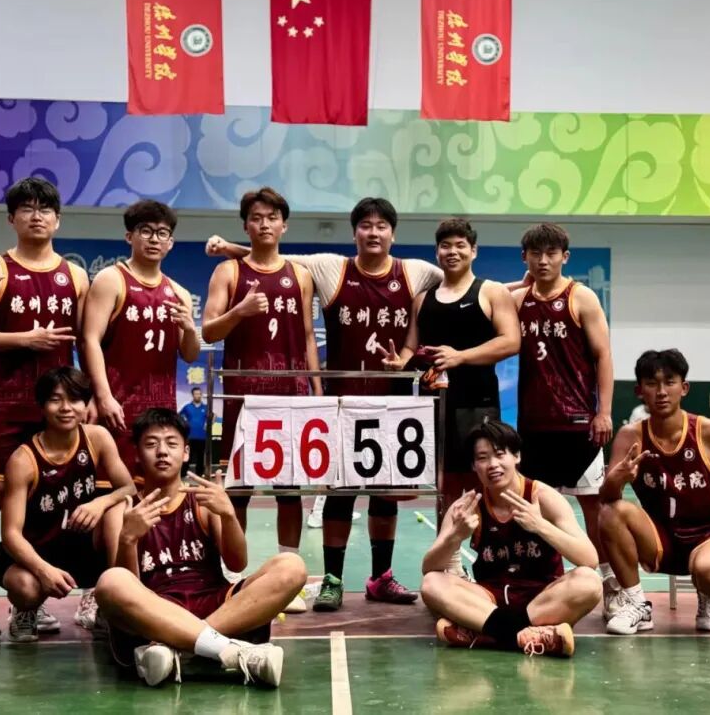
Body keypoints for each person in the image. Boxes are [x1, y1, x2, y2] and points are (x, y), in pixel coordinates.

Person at [206, 196, 437, 610]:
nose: (373, 232)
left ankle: (380, 577)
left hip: (392, 402)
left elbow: (460, 282)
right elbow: (274, 257)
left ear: (393, 232)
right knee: (335, 493)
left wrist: (408, 354)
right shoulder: (331, 268)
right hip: (339, 403)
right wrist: (230, 252)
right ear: (354, 233)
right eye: (365, 225)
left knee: (384, 495)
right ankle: (328, 579)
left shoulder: (417, 271)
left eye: (381, 226)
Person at [0, 177, 90, 640]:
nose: (37, 216)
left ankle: (26, 604)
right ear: (12, 218)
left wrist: (90, 397)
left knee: (44, 505)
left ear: (58, 219)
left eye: (45, 208)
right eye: (27, 208)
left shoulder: (76, 276)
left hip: (55, 406)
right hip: (4, 400)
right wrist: (24, 339)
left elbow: (86, 341)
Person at [95, 408, 306, 688]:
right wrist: (128, 539)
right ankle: (228, 650)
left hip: (215, 603)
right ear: (137, 454)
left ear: (185, 453)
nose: (162, 451)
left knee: (292, 566)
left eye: (171, 444)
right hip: (156, 609)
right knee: (111, 582)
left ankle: (181, 647)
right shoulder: (122, 511)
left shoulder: (202, 501)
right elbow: (127, 583)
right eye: (151, 444)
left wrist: (228, 515)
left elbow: (237, 563)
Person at [80, 199, 201, 621]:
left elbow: (190, 353)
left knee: (153, 503)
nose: (154, 239)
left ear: (171, 243)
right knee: (109, 501)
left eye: (162, 233)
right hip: (117, 411)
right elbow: (90, 339)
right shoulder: (112, 280)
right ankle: (97, 590)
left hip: (159, 416)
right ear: (129, 236)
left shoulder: (178, 293)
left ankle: (146, 588)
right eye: (146, 231)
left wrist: (189, 326)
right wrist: (103, 395)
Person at [201, 187, 320, 612]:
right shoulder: (228, 272)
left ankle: (290, 577)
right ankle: (232, 576)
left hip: (291, 396)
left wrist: (316, 390)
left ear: (284, 225)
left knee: (290, 491)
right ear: (246, 225)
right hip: (243, 397)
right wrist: (241, 311)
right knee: (238, 491)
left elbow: (308, 336)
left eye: (272, 217)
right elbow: (208, 330)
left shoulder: (300, 275)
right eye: (256, 217)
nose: (265, 224)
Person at [599, 349, 710, 634]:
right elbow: (607, 498)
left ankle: (709, 599)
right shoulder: (630, 437)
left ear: (684, 388)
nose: (661, 392)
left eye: (669, 382)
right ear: (639, 391)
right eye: (651, 383)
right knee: (611, 513)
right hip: (660, 540)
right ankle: (637, 605)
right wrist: (618, 479)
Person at [419, 421, 601, 658]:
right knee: (432, 584)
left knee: (589, 582)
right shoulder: (468, 506)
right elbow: (429, 568)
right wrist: (454, 536)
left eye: (499, 454)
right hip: (489, 601)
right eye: (482, 458)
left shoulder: (543, 497)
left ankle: (486, 634)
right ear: (474, 466)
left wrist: (540, 526)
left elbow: (589, 559)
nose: (492, 464)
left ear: (516, 456)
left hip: (543, 599)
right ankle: (528, 636)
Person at [381, 218, 520, 524]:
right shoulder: (422, 299)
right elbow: (411, 347)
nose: (452, 252)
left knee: (483, 480)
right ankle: (448, 550)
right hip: (434, 406)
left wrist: (461, 357)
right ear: (437, 252)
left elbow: (511, 341)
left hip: (478, 405)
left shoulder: (492, 292)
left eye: (460, 245)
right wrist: (400, 363)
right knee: (445, 487)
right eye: (445, 246)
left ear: (474, 251)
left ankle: (486, 547)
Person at [511, 223, 615, 602]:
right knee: (534, 508)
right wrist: (519, 284)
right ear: (525, 257)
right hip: (534, 428)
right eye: (535, 254)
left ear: (564, 257)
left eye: (551, 253)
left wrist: (604, 412)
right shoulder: (518, 301)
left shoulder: (581, 297)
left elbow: (603, 355)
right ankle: (542, 580)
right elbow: (484, 297)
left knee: (594, 508)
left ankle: (609, 581)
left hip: (578, 425)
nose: (543, 260)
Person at [0, 367, 135, 641]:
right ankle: (25, 610)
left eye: (74, 399)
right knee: (26, 588)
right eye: (55, 400)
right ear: (41, 406)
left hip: (81, 545)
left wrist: (100, 503)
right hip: (37, 553)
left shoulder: (97, 438)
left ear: (85, 405)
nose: (66, 408)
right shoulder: (23, 460)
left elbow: (128, 487)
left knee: (119, 509)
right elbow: (10, 534)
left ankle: (113, 606)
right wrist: (43, 570)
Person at [179, 387, 209, 476]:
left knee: (200, 456)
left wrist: (208, 423)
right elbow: (180, 416)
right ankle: (183, 474)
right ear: (193, 395)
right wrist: (185, 423)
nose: (198, 395)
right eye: (196, 394)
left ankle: (199, 474)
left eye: (199, 394)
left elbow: (213, 416)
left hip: (202, 436)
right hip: (190, 436)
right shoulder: (187, 407)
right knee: (188, 455)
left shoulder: (206, 407)